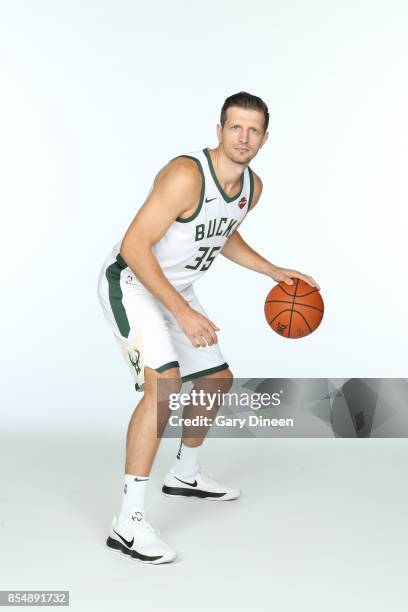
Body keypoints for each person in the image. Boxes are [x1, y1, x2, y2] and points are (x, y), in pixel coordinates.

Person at [97, 91, 319, 564]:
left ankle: (186, 474)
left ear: (265, 138)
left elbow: (223, 231)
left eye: (253, 130)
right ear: (218, 131)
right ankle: (128, 523)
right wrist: (182, 312)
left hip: (175, 290)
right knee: (165, 386)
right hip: (134, 283)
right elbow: (136, 245)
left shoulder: (252, 188)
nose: (243, 137)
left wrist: (271, 270)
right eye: (235, 127)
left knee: (215, 380)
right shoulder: (185, 175)